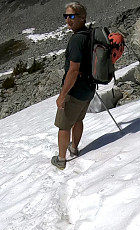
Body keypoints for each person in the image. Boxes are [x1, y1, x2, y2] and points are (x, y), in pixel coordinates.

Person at [51, 2, 95, 170]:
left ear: (82, 17)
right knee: (78, 119)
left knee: (64, 125)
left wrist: (62, 95)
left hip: (75, 90)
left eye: (71, 16)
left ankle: (61, 160)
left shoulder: (77, 39)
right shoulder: (90, 33)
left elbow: (73, 70)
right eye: (66, 16)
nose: (68, 20)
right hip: (89, 88)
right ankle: (74, 149)